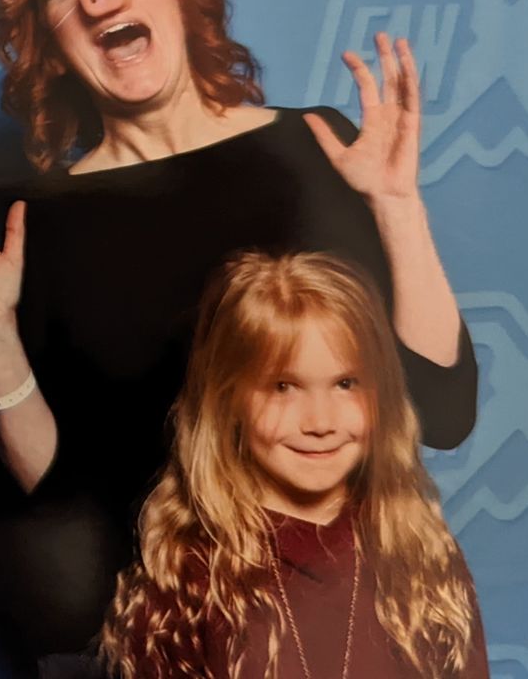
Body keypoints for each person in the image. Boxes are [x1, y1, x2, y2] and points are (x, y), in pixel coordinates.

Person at [0, 0, 477, 663]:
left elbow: (443, 406)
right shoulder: (49, 225)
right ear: (50, 40)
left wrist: (398, 205)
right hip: (186, 627)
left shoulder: (317, 150)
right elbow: (62, 489)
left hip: (362, 605)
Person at [100, 251, 489, 678]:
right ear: (229, 401)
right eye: (283, 387)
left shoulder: (418, 553)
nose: (320, 422)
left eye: (346, 384)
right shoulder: (187, 577)